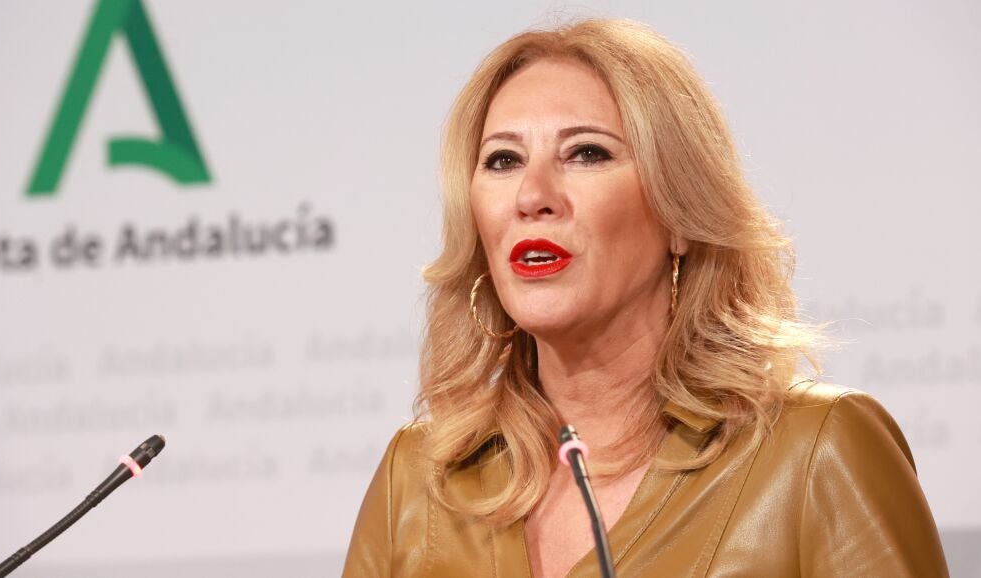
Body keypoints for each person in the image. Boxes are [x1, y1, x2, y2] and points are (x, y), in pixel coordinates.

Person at [343, 18, 948, 577]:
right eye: (503, 160)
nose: (532, 195)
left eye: (587, 153)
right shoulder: (417, 481)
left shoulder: (817, 451)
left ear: (679, 215)